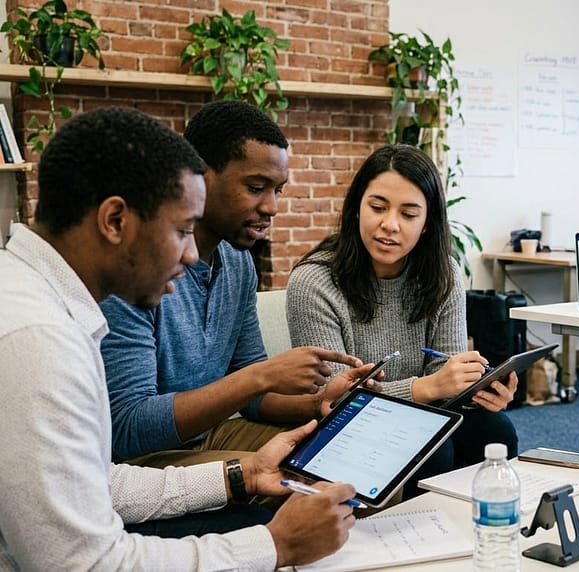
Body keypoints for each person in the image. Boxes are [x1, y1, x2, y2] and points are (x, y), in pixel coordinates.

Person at [0, 106, 358, 569]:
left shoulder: (41, 298)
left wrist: (241, 474)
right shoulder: (38, 337)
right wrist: (273, 546)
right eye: (182, 230)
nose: (192, 255)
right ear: (114, 221)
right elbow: (83, 564)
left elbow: (98, 483)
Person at [100, 100, 376, 467]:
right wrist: (261, 376)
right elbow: (129, 429)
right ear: (199, 175)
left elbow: (252, 397)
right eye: (256, 187)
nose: (272, 207)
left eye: (278, 190)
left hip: (211, 435)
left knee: (357, 457)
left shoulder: (238, 263)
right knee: (307, 482)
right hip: (144, 460)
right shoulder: (139, 268)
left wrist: (319, 402)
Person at [287, 144, 519, 494]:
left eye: (409, 214)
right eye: (377, 208)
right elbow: (333, 402)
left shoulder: (445, 275)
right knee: (434, 455)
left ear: (427, 224)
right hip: (346, 428)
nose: (389, 225)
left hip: (421, 413)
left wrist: (476, 390)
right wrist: (427, 387)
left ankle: (478, 535)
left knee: (496, 431)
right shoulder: (315, 281)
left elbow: (446, 379)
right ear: (356, 209)